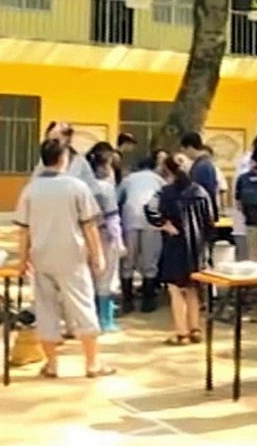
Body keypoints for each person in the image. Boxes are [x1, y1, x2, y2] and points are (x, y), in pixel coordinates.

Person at [14, 138, 114, 378]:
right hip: (72, 256)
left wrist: (22, 259)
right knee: (83, 306)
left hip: (41, 256)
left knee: (45, 309)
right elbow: (89, 225)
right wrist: (98, 255)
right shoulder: (76, 187)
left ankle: (51, 365)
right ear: (64, 159)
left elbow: (24, 229)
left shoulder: (31, 189)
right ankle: (92, 364)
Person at [148, 154, 215, 346]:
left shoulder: (165, 192)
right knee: (193, 288)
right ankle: (195, 329)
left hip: (175, 246)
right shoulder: (200, 192)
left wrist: (164, 225)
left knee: (176, 290)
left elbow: (150, 210)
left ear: (167, 170)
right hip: (197, 247)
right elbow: (211, 219)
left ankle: (182, 333)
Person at [118, 156, 166, 314]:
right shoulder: (159, 179)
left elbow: (118, 198)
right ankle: (148, 301)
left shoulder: (129, 179)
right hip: (151, 221)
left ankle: (127, 301)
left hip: (130, 220)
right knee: (150, 260)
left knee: (128, 261)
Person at [89, 142, 124, 333]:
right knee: (106, 277)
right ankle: (106, 320)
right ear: (105, 166)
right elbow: (112, 217)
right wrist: (118, 241)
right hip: (104, 236)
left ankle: (90, 318)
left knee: (90, 276)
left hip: (84, 236)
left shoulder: (82, 185)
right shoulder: (106, 188)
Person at [181, 132, 222, 220]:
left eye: (184, 150)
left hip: (202, 213)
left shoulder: (202, 166)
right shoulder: (203, 163)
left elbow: (204, 190)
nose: (185, 154)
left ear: (190, 148)